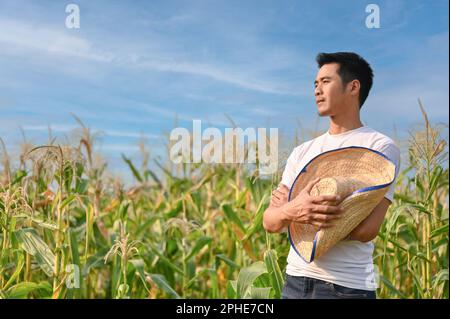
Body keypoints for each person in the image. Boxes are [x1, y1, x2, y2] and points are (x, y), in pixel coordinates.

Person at [262, 52, 401, 299]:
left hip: (345, 287)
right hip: (295, 282)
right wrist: (293, 212)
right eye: (315, 84)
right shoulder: (301, 152)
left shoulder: (379, 147)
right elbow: (270, 222)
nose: (317, 90)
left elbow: (367, 229)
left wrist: (298, 214)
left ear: (353, 87)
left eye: (326, 81)